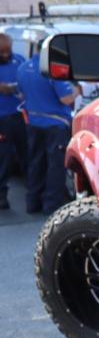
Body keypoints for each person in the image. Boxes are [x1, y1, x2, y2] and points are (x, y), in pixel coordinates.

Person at [15, 54, 78, 214]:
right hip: (55, 125)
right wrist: (78, 89)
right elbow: (66, 99)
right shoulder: (54, 70)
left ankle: (32, 203)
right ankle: (51, 206)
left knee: (35, 163)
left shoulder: (22, 67)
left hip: (33, 122)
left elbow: (21, 94)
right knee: (55, 165)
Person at [0, 33, 25, 211]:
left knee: (28, 154)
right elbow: (5, 89)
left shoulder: (20, 60)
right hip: (2, 119)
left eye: (8, 51)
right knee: (4, 158)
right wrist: (14, 87)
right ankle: (2, 195)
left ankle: (35, 192)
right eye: (1, 52)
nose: (5, 55)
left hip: (20, 116)